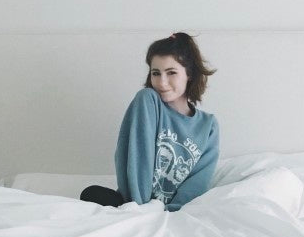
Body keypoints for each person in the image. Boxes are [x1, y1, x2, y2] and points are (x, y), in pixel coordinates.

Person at [80, 32, 219, 211]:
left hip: (174, 211)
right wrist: (141, 208)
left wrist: (173, 213)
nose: (162, 82)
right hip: (135, 203)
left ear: (189, 74)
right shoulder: (148, 100)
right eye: (156, 73)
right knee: (91, 193)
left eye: (171, 73)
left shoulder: (208, 126)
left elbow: (199, 180)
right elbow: (135, 156)